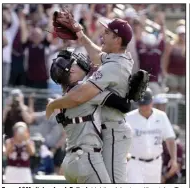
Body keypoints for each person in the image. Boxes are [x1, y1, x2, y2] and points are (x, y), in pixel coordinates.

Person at [46, 16, 134, 183]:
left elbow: (80, 95)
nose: (102, 35)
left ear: (117, 39)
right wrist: (80, 34)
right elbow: (96, 57)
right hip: (107, 134)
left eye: (107, 32)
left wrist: (53, 104)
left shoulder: (114, 65)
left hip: (114, 131)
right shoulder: (117, 59)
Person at [125, 88, 178, 183]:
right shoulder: (128, 118)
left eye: (146, 104)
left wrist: (173, 159)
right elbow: (121, 140)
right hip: (135, 163)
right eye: (141, 104)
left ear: (152, 101)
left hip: (155, 163)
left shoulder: (161, 116)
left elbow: (170, 138)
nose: (144, 107)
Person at [162, 24, 186, 94]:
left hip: (184, 74)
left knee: (184, 89)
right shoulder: (171, 45)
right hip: (172, 73)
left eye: (184, 34)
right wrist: (164, 71)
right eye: (181, 34)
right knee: (173, 89)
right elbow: (166, 59)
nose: (183, 36)